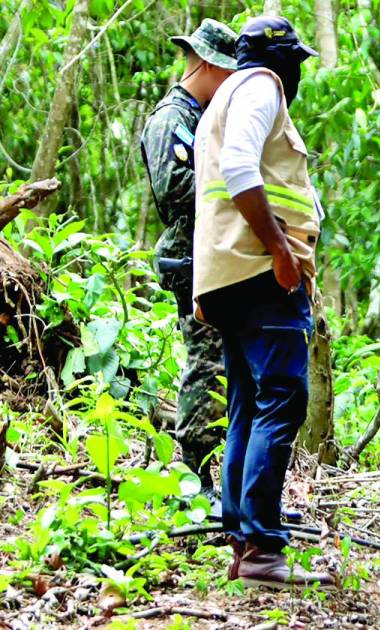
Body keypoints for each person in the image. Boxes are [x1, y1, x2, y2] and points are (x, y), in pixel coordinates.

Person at [192, 15, 332, 590]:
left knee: (250, 404)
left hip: (227, 274)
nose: (294, 75)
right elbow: (240, 169)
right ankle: (262, 547)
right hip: (259, 272)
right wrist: (280, 249)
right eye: (293, 64)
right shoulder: (258, 88)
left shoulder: (220, 99)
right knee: (281, 399)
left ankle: (243, 533)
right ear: (278, 63)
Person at [138, 18, 237, 499]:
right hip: (192, 258)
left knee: (220, 363)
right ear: (208, 65)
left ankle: (213, 473)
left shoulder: (200, 118)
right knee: (206, 362)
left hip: (213, 253)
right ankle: (198, 475)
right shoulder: (171, 118)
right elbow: (174, 189)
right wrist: (235, 187)